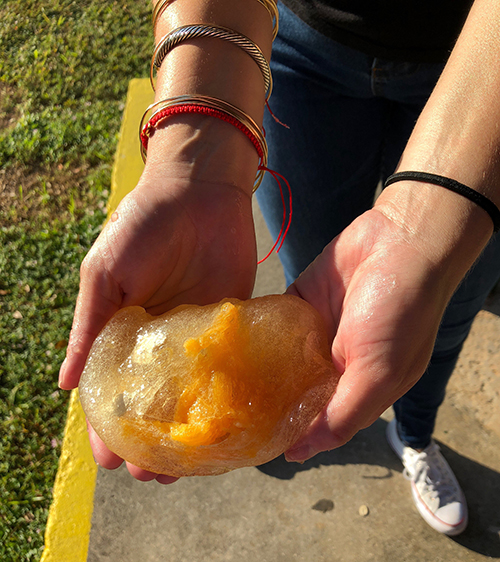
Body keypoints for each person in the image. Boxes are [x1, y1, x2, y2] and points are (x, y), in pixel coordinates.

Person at [58, 0, 500, 537]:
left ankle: (415, 436)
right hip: (299, 47)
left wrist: (431, 220)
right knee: (326, 290)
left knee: (441, 307)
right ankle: (267, 411)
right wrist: (191, 155)